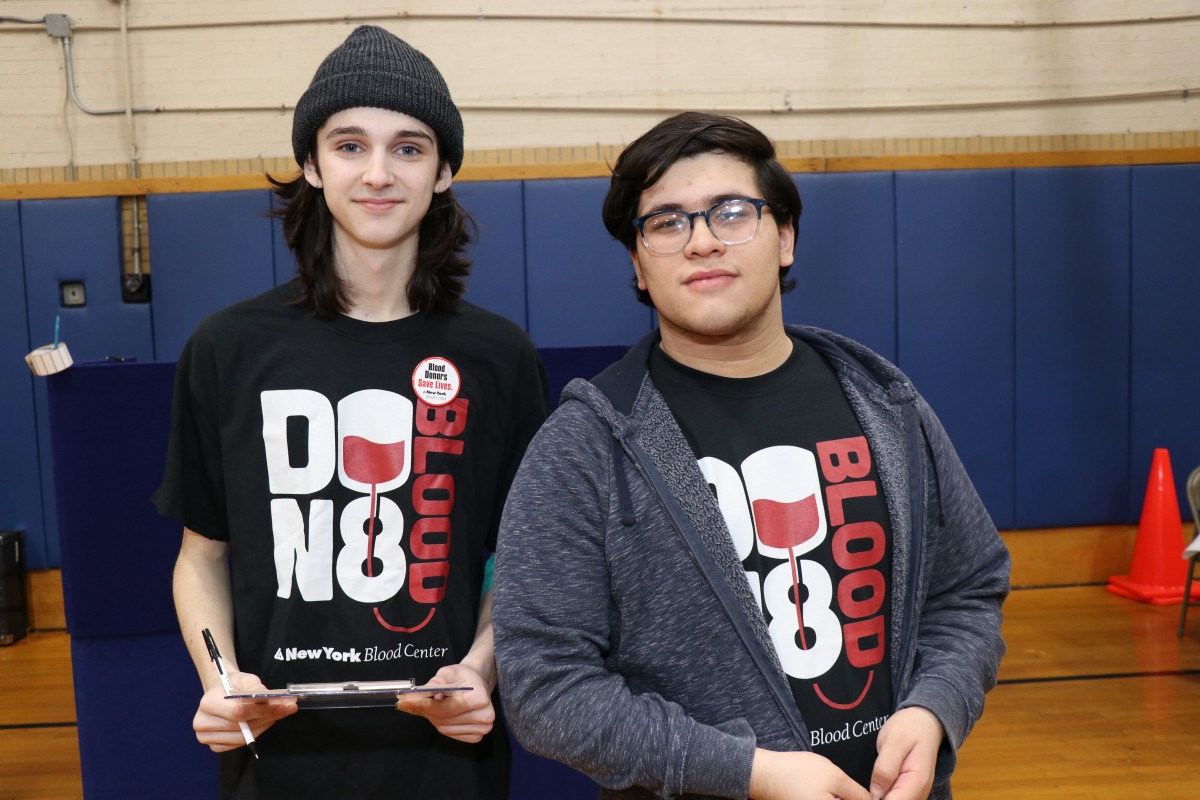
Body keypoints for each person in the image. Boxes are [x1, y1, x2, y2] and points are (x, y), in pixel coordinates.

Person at [492, 112, 1010, 800]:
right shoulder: (582, 447)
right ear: (638, 265)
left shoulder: (886, 404)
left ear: (785, 236)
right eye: (668, 222)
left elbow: (968, 589)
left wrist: (933, 707)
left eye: (731, 212)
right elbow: (545, 688)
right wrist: (751, 772)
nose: (702, 241)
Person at [154, 25, 548, 799]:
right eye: (349, 145)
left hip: (445, 764)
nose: (378, 173)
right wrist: (225, 677)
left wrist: (479, 669)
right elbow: (201, 556)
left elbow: (522, 561)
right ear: (311, 163)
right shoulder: (228, 348)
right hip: (279, 760)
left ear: (441, 173)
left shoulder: (497, 358)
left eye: (408, 148)